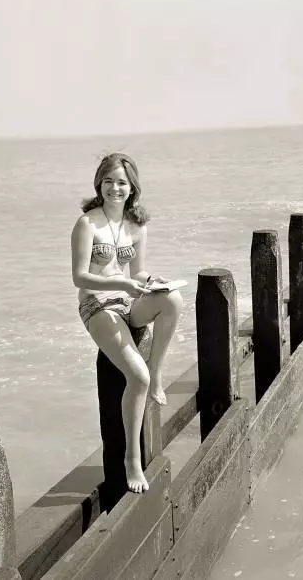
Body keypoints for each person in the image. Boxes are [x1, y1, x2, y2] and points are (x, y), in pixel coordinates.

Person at [71, 153, 183, 493]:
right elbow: (80, 277)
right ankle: (132, 461)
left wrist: (153, 280)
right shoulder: (87, 224)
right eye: (108, 180)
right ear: (99, 183)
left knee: (172, 300)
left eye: (121, 181)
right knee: (137, 376)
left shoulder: (137, 225)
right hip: (97, 305)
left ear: (132, 186)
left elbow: (137, 274)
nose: (114, 187)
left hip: (125, 301)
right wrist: (123, 286)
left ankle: (159, 374)